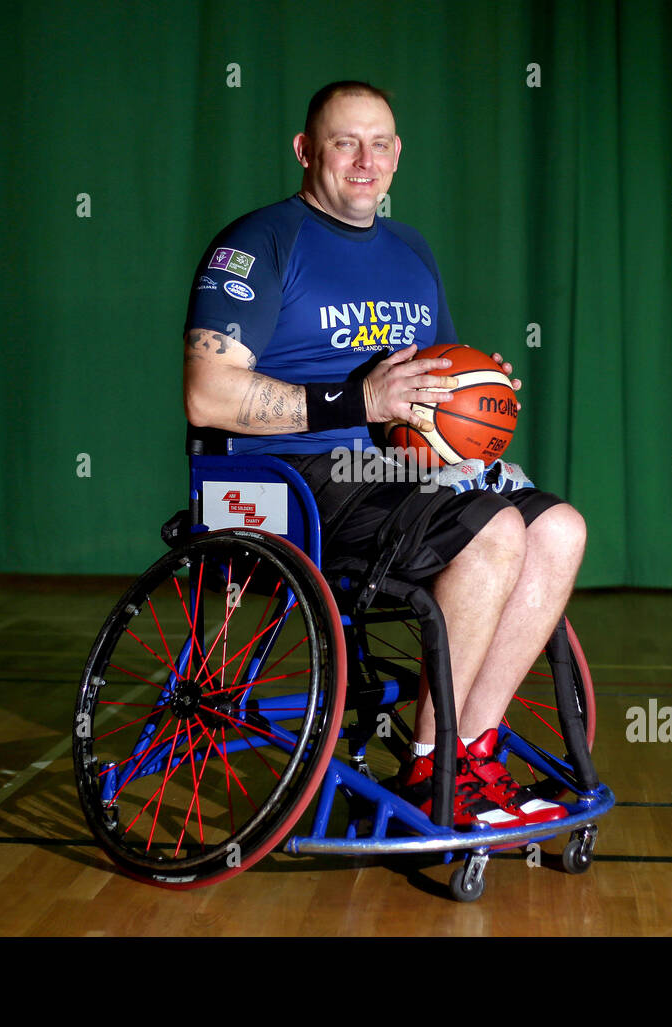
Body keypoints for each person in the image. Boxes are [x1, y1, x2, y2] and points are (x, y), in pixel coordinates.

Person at [181, 82, 586, 828]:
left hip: (401, 473)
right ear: (307, 152)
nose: (365, 161)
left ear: (397, 155)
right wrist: (356, 403)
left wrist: (476, 389)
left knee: (559, 528)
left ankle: (470, 748)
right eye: (345, 143)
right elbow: (207, 396)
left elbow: (431, 379)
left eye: (380, 144)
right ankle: (430, 773)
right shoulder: (260, 243)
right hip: (294, 476)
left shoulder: (411, 250)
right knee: (493, 528)